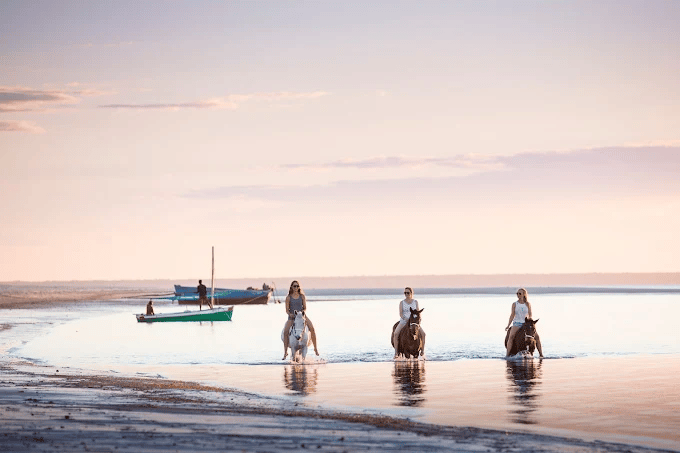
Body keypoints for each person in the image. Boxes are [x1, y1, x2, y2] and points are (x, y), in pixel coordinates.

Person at [282, 280, 319, 360]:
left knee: (312, 328)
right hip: (292, 317)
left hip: (301, 316)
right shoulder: (288, 297)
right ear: (291, 287)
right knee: (285, 331)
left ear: (299, 287)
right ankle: (285, 352)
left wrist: (302, 313)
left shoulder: (302, 296)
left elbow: (305, 308)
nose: (296, 287)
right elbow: (287, 310)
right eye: (294, 286)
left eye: (297, 286)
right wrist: (290, 314)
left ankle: (315, 348)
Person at [505, 288, 544, 357]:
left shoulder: (528, 304)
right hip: (517, 323)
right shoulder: (514, 304)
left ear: (524, 294)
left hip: (526, 323)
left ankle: (541, 354)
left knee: (537, 337)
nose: (518, 295)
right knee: (511, 337)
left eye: (519, 293)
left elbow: (530, 314)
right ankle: (507, 355)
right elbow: (512, 315)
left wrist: (530, 322)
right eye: (517, 293)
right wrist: (508, 325)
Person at [392, 287, 426, 359]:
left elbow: (417, 312)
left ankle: (422, 351)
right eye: (405, 293)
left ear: (411, 293)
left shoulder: (415, 302)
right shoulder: (402, 302)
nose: (406, 294)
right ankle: (396, 352)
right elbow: (401, 313)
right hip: (404, 321)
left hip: (414, 322)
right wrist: (406, 319)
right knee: (395, 333)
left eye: (408, 293)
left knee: (423, 334)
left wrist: (418, 320)